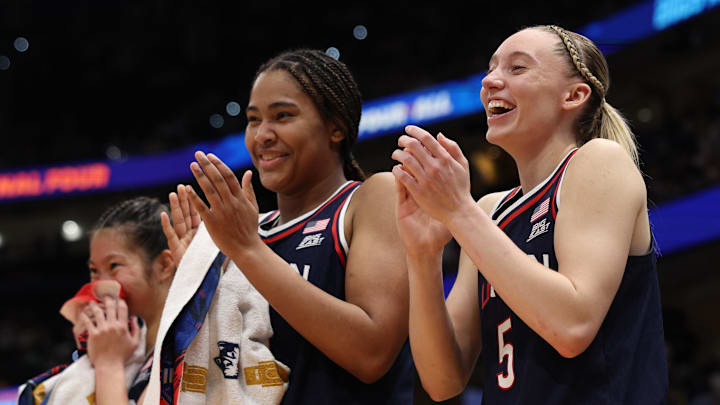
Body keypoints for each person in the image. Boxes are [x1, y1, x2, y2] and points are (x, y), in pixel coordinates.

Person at [391, 25, 668, 403]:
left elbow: (572, 326)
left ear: (573, 95)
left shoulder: (600, 162)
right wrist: (423, 256)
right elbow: (443, 381)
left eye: (517, 68)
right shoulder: (489, 211)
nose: (490, 81)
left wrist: (458, 211)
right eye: (491, 69)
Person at [178, 49, 414, 404]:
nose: (262, 135)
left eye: (282, 116)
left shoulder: (369, 199)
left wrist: (248, 251)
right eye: (254, 120)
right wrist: (189, 286)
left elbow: (372, 354)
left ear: (335, 128)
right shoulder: (242, 232)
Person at [18, 196, 181, 405]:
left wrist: (108, 364)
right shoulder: (128, 348)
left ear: (164, 266)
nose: (100, 285)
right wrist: (89, 357)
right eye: (94, 271)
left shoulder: (188, 350)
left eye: (114, 266)